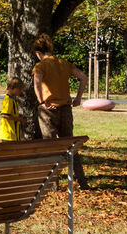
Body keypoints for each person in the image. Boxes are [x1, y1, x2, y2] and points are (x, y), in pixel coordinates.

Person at [31, 33, 90, 189]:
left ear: (38, 53)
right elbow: (83, 77)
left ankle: (53, 184)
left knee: (50, 148)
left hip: (48, 110)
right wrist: (78, 98)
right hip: (65, 109)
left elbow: (36, 84)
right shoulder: (64, 63)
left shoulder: (40, 66)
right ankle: (82, 181)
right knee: (70, 145)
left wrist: (42, 102)